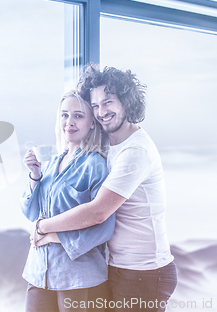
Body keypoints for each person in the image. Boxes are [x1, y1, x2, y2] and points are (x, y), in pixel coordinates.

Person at [34, 65, 177, 312]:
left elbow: (97, 212)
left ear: (126, 102)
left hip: (143, 273)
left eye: (108, 102)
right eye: (96, 105)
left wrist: (42, 226)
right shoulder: (109, 143)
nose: (101, 112)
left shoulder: (135, 151)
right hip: (117, 267)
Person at [21, 90, 116, 312]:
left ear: (92, 123)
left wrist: (54, 237)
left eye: (78, 116)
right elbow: (31, 212)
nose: (69, 122)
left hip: (79, 277)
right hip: (39, 271)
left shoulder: (95, 165)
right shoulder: (51, 163)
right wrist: (35, 174)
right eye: (64, 115)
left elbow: (104, 226)